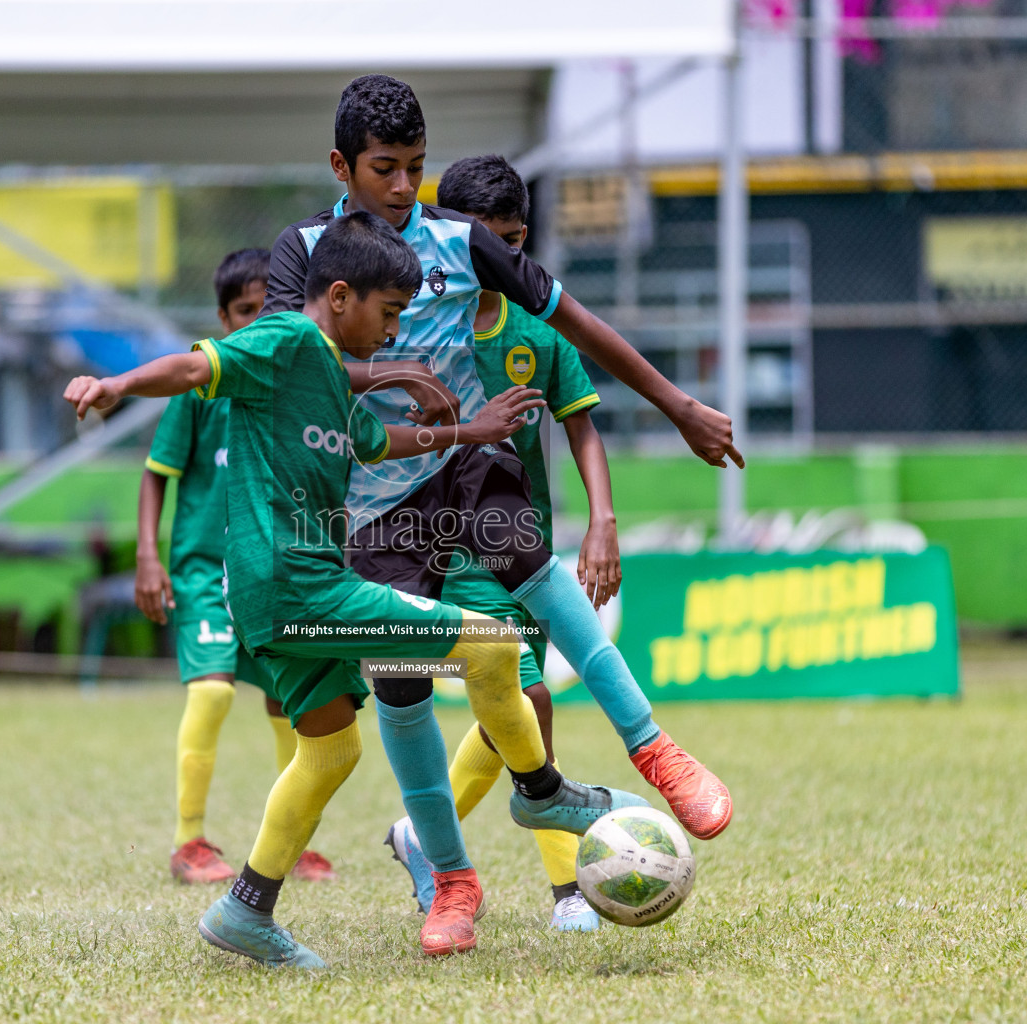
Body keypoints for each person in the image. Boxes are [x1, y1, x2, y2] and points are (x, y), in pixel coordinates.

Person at [64, 212, 647, 967]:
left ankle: (246, 910)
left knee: (332, 749)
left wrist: (468, 434)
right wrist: (115, 384)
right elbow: (192, 369)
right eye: (391, 313)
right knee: (494, 645)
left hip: (279, 597)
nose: (396, 331)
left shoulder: (330, 376)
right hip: (301, 584)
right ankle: (542, 791)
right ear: (340, 296)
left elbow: (379, 444)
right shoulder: (287, 340)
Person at [262, 76, 740, 902]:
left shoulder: (459, 237)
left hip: (469, 467)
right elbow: (288, 359)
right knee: (402, 680)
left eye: (416, 166)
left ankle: (653, 747)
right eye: (385, 169)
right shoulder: (302, 251)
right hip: (372, 497)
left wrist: (679, 405)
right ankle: (451, 880)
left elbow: (576, 320)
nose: (405, 188)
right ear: (341, 166)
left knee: (541, 582)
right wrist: (392, 372)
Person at [385, 154, 622, 933]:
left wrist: (602, 521)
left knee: (509, 712)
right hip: (441, 547)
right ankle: (565, 889)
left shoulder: (537, 330)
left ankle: (421, 835)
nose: (496, 261)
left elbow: (581, 426)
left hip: (522, 543)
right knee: (528, 698)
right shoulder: (410, 326)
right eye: (482, 244)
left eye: (512, 243)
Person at [137, 248, 334, 885]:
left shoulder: (293, 385)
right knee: (214, 690)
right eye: (244, 312)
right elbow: (156, 474)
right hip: (202, 570)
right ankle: (188, 841)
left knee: (291, 706)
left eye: (267, 309)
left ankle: (293, 841)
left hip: (268, 573)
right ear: (223, 318)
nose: (256, 322)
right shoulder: (200, 388)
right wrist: (148, 556)